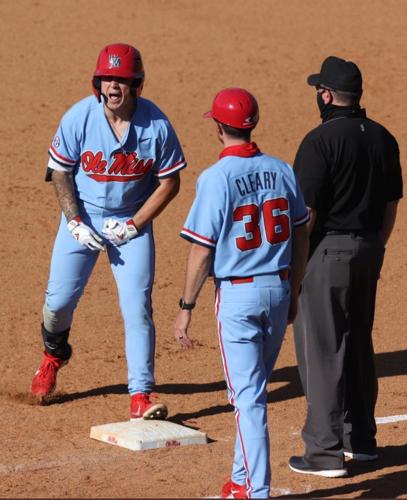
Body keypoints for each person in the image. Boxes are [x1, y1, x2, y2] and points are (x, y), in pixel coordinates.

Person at [31, 43, 187, 420]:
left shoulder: (157, 127)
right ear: (96, 82)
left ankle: (141, 395)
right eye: (107, 78)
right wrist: (74, 221)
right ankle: (54, 354)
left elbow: (170, 183)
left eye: (121, 79)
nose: (113, 86)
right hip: (81, 218)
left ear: (137, 85)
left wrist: (134, 225)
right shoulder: (78, 118)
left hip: (131, 223)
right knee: (58, 305)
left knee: (137, 308)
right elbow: (61, 172)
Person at [174, 88, 310, 498]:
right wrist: (295, 290)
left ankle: (256, 490)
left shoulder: (216, 178)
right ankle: (239, 480)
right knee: (254, 390)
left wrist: (186, 306)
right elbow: (302, 233)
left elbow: (202, 250)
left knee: (248, 399)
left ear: (218, 127)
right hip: (279, 288)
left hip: (238, 298)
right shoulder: (282, 169)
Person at [288, 56, 403, 478]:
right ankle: (363, 440)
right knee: (357, 344)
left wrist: (294, 267)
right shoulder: (383, 137)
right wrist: (374, 249)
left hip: (326, 255)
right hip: (371, 248)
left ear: (326, 95)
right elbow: (391, 205)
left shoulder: (319, 142)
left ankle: (323, 452)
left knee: (321, 352)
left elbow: (308, 215)